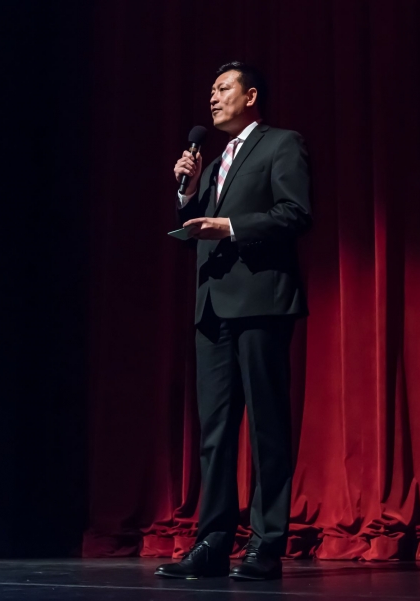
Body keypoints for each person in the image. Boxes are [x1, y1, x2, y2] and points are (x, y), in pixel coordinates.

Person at [155, 62, 312, 581]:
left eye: (224, 88)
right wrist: (187, 193)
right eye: (212, 90)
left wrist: (230, 225)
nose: (214, 97)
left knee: (267, 428)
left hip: (262, 303)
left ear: (251, 96)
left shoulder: (281, 144)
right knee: (216, 433)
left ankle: (266, 544)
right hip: (212, 308)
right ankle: (212, 543)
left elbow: (295, 213)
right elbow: (195, 227)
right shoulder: (216, 161)